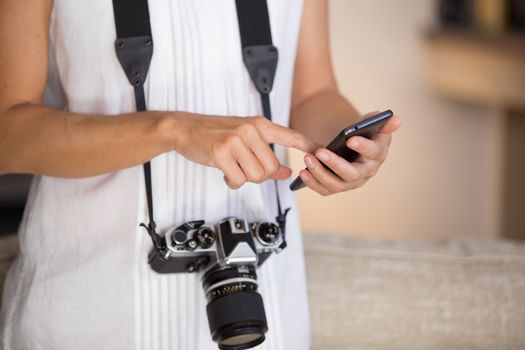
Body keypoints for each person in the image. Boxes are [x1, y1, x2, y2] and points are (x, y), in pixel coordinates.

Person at [0, 0, 400, 349]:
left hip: (267, 309)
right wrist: (174, 130)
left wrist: (350, 143)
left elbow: (312, 93)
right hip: (96, 312)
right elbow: (8, 133)